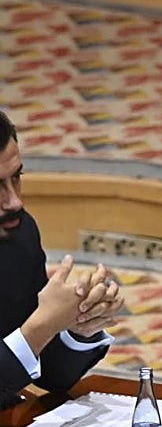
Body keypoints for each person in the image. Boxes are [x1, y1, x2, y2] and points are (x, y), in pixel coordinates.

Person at [0, 109, 125, 409]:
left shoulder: (18, 237)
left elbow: (50, 375)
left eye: (16, 178)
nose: (15, 201)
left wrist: (77, 326)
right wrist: (40, 327)